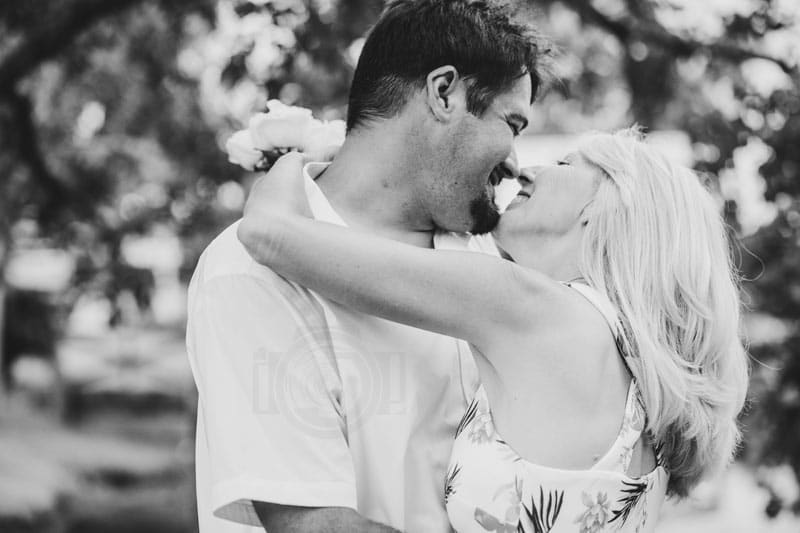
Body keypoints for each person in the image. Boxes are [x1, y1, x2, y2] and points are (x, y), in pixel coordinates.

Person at [237, 128, 750, 532]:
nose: (528, 169)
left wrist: (296, 156)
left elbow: (270, 234)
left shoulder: (529, 308)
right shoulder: (638, 371)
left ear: (605, 206)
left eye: (567, 164)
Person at [185, 1, 546, 531]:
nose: (515, 159)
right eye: (511, 123)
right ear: (444, 91)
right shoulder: (251, 275)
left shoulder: (489, 257)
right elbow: (317, 524)